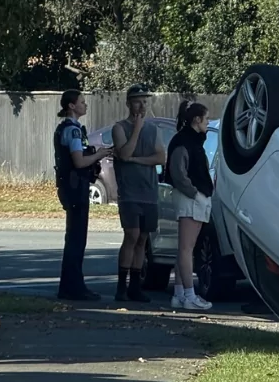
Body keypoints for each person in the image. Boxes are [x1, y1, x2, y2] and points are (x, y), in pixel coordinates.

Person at [53, 90, 112, 301]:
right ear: (71, 106)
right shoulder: (73, 131)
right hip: (75, 187)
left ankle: (70, 285)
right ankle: (74, 287)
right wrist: (99, 155)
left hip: (71, 187)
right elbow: (79, 161)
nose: (85, 105)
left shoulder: (66, 129)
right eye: (82, 102)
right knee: (77, 239)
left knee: (74, 238)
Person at [111, 84, 166, 303]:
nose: (142, 105)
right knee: (131, 235)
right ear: (128, 103)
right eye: (137, 101)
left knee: (143, 238)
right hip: (130, 192)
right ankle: (121, 287)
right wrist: (136, 128)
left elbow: (160, 158)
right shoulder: (120, 128)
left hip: (149, 191)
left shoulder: (154, 130)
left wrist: (136, 160)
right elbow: (124, 153)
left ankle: (135, 286)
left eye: (145, 101)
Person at [166, 102, 214, 311]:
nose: (208, 122)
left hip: (194, 197)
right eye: (206, 118)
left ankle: (178, 294)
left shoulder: (192, 141)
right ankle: (189, 295)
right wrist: (195, 194)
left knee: (185, 249)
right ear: (196, 120)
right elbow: (178, 174)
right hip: (190, 198)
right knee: (186, 249)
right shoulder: (183, 142)